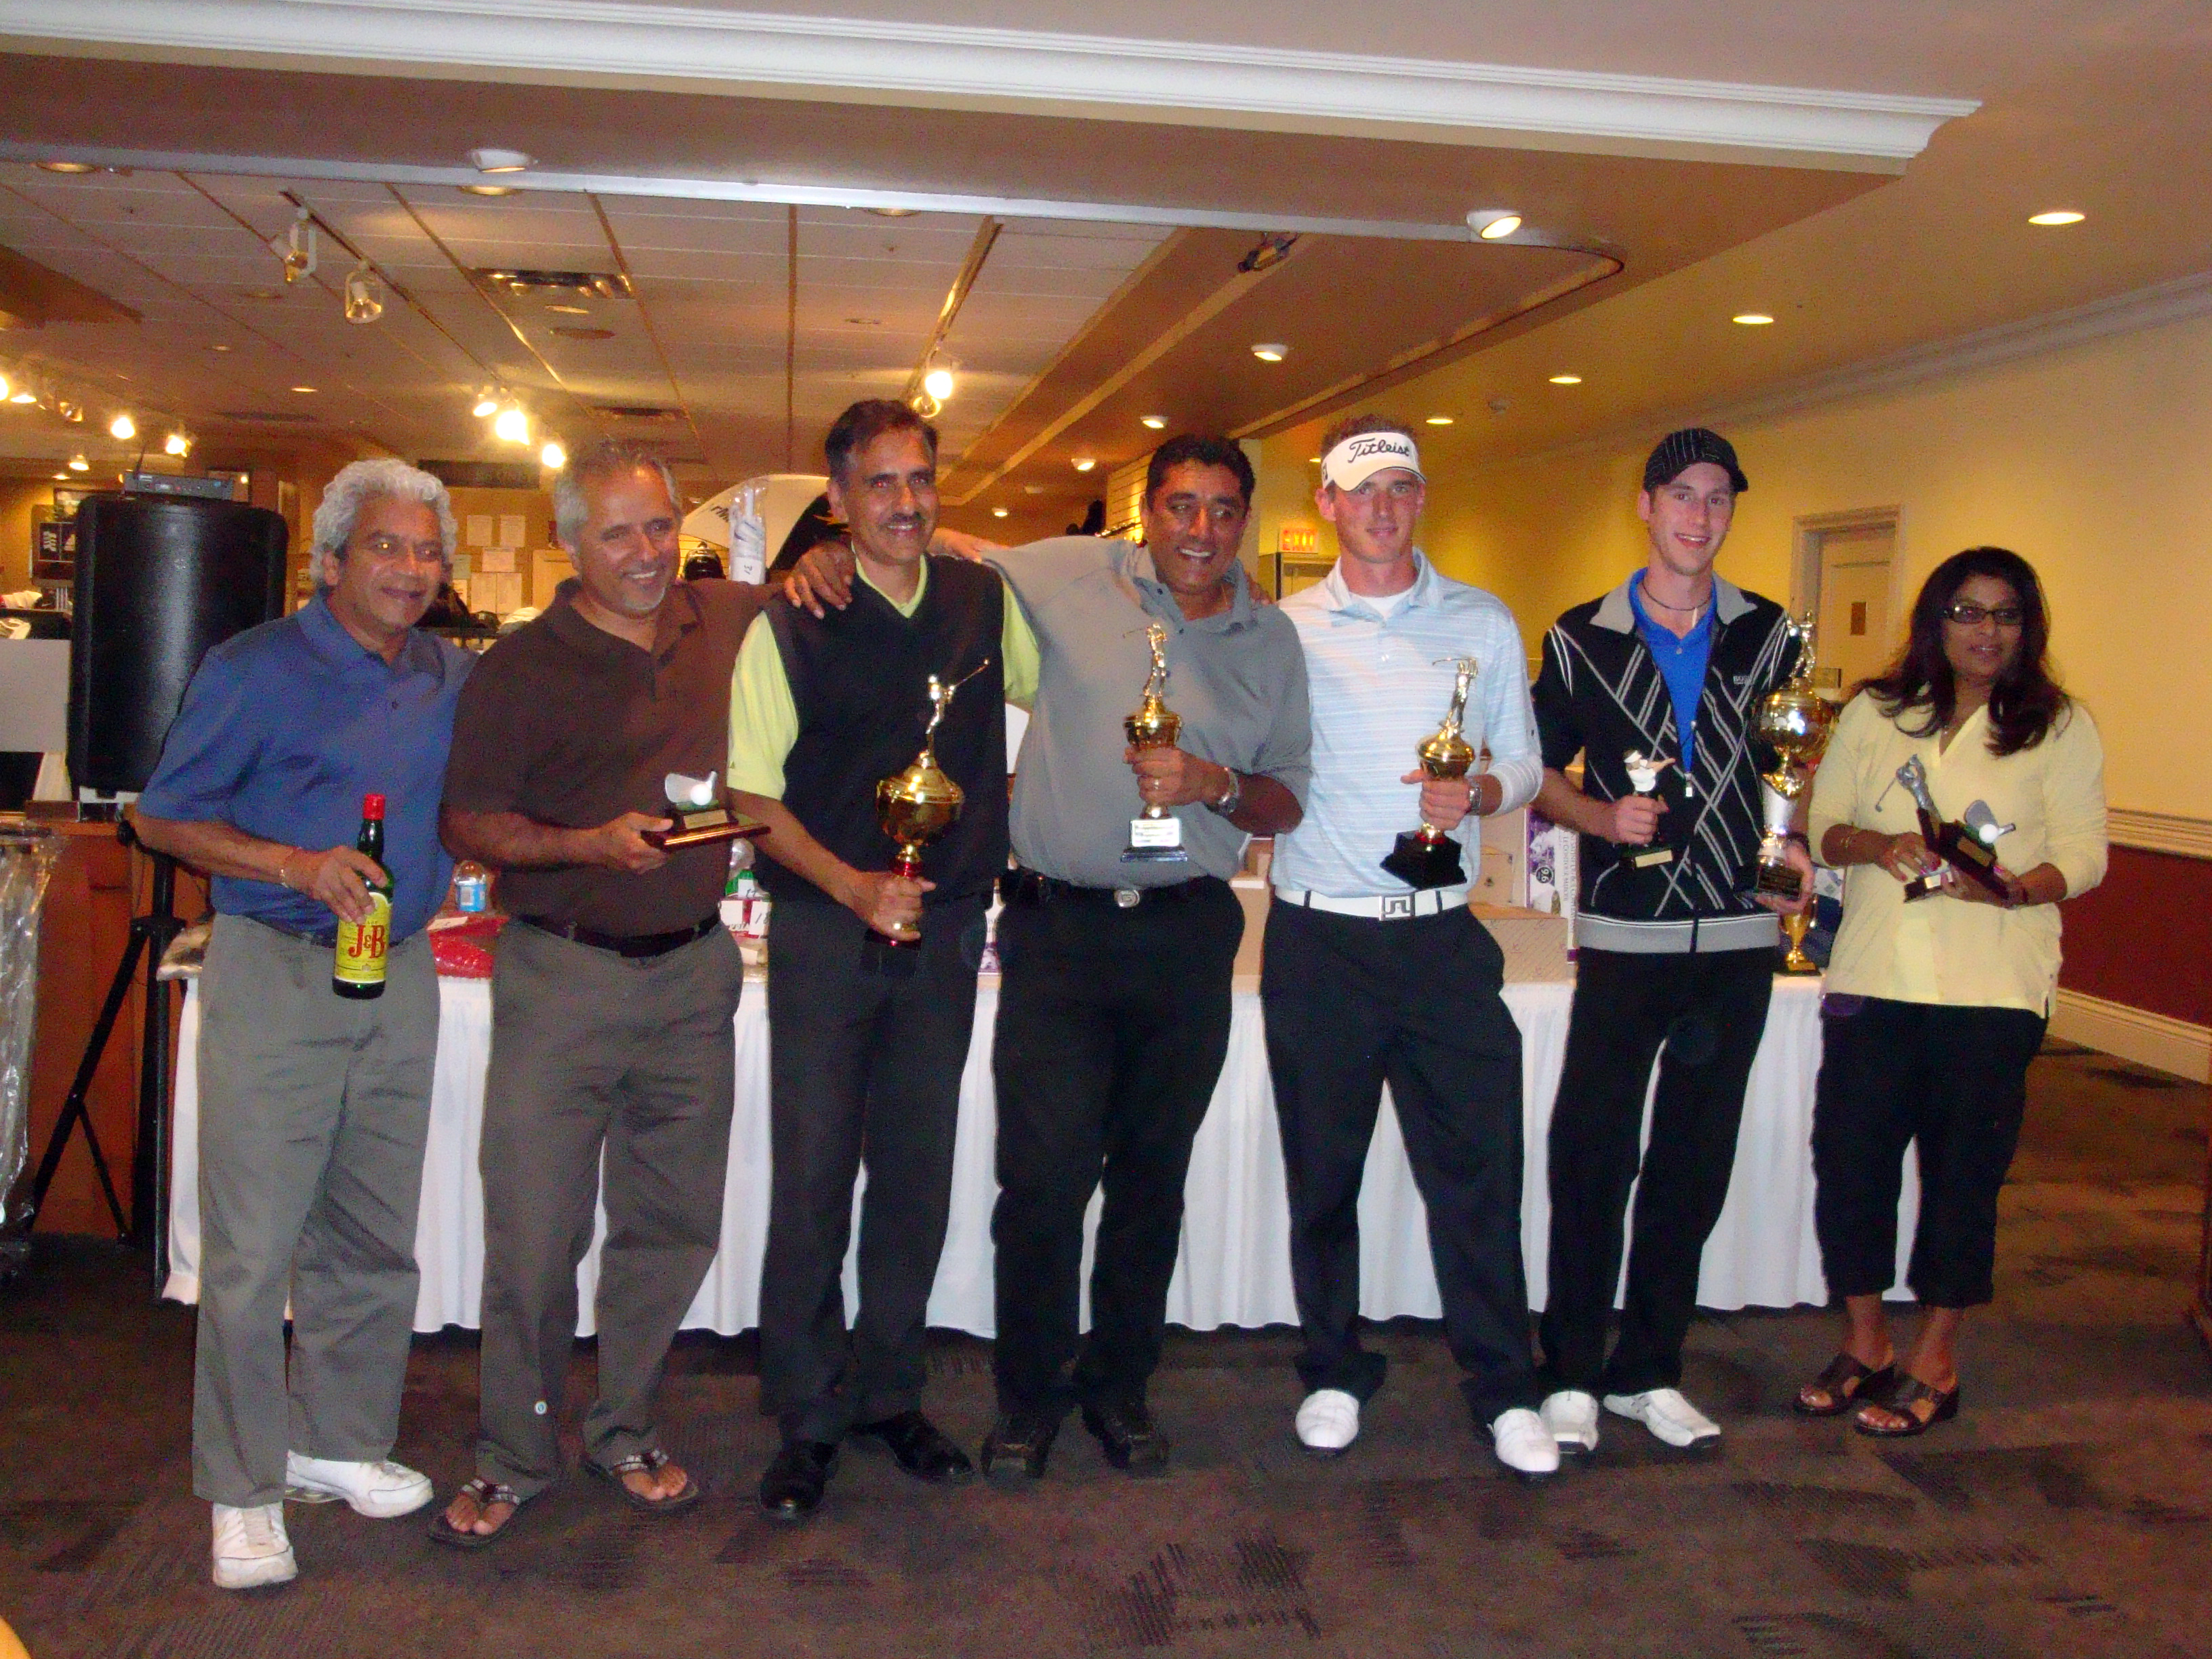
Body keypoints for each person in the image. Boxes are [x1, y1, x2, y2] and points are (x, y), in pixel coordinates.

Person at [786, 434, 1311, 1481]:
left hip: (1186, 934)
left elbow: (1287, 798)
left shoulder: (1273, 639)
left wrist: (1213, 783)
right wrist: (831, 553)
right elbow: (938, 545)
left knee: (1151, 1181)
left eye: (1222, 510)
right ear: (1147, 514)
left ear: (1245, 521)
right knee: (1041, 1182)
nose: (1200, 530)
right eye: (1181, 506)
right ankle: (1028, 1399)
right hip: (1059, 931)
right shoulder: (1072, 572)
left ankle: (1120, 1390)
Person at [134, 459, 471, 1589]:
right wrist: (292, 863)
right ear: (331, 561)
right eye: (386, 546)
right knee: (251, 1252)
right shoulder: (253, 668)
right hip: (275, 968)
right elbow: (163, 818)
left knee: (372, 1235)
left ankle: (336, 1440)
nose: (410, 568)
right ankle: (241, 1490)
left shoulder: (448, 675)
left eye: (427, 550)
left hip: (401, 972)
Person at [430, 440, 763, 1546]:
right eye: (617, 533)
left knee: (671, 1226)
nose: (645, 553)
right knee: (534, 1236)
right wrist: (583, 844)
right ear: (569, 542)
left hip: (696, 976)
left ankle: (626, 1430)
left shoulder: (723, 621)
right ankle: (515, 1454)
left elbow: (829, 585)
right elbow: (470, 823)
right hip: (562, 977)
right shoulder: (522, 666)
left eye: (660, 526)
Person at [730, 400, 1038, 1521]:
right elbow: (751, 798)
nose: (905, 503)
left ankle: (890, 1394)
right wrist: (854, 885)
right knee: (814, 1175)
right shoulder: (791, 622)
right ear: (839, 498)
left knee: (916, 1175)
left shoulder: (981, 601)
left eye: (920, 480)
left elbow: (1066, 686)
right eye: (880, 483)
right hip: (828, 925)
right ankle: (808, 1417)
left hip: (946, 926)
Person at [1263, 416, 1557, 1477]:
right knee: (1323, 1177)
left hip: (1439, 942)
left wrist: (1478, 791)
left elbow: (1524, 764)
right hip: (1320, 941)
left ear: (1421, 499)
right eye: (1362, 490)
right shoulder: (1284, 629)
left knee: (1479, 1175)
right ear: (1327, 505)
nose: (1383, 507)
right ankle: (1334, 1371)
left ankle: (1505, 1387)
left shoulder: (1482, 619)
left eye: (1401, 487)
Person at [1530, 428, 1812, 1455]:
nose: (1700, 515)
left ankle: (1648, 1369)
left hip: (1738, 931)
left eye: (1718, 499)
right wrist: (1601, 818)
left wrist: (1793, 843)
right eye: (1682, 496)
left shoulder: (1771, 635)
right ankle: (1569, 1370)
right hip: (1628, 929)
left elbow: (1792, 762)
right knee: (1593, 1157)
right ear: (1646, 506)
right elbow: (1534, 771)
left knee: (1693, 1163)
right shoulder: (1581, 638)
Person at [1797, 548, 2104, 1435]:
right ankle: (1867, 1343)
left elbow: (2085, 854)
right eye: (1968, 612)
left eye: (2006, 614)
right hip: (1874, 977)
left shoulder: (2060, 725)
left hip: (1993, 988)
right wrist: (1878, 847)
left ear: (2027, 627)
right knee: (1850, 1166)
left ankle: (1936, 1357)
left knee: (1963, 1178)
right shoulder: (1876, 712)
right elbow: (1824, 825)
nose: (1987, 631)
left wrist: (2011, 889)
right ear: (1936, 621)